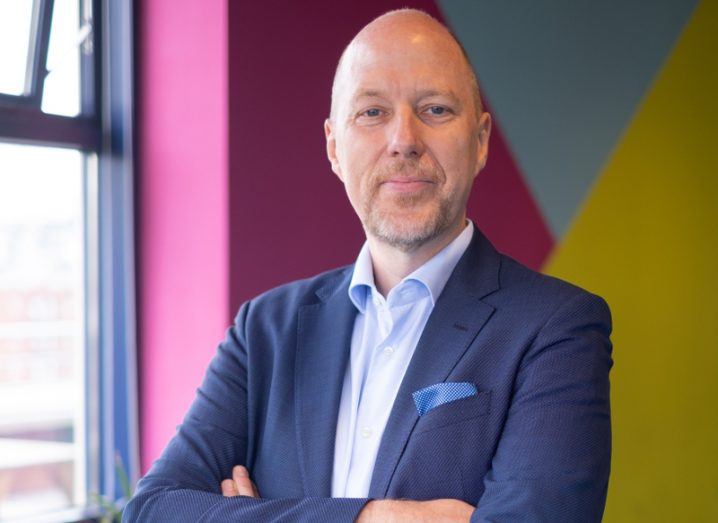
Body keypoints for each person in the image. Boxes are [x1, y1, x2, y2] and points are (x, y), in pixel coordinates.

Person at [123, 8, 612, 522]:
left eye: (437, 110)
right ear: (335, 147)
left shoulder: (558, 328)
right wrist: (380, 518)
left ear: (482, 140)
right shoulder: (263, 331)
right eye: (372, 112)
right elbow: (153, 510)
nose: (404, 139)